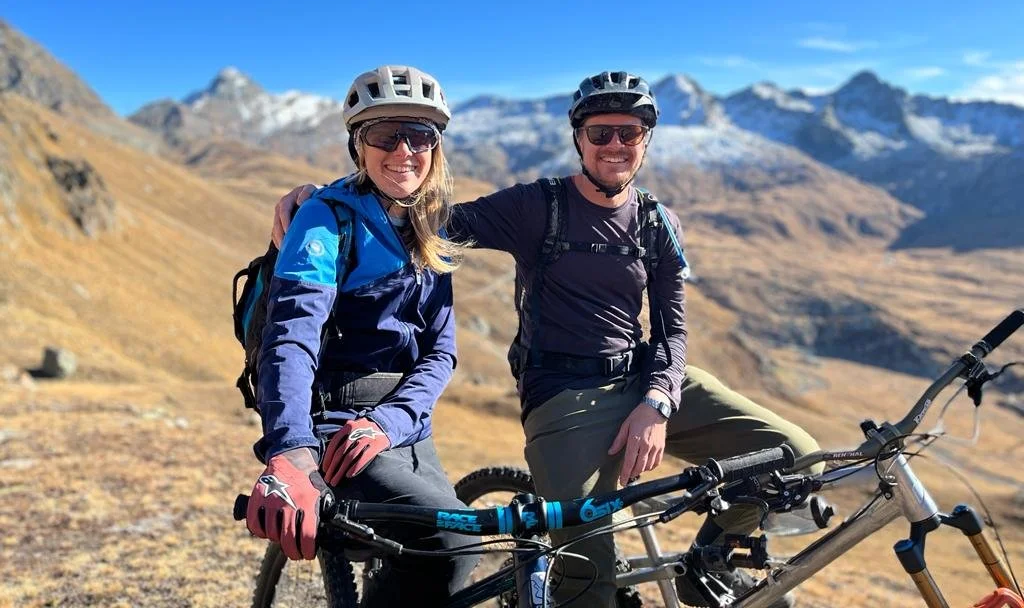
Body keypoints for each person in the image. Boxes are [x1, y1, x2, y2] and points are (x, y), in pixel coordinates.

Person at [273, 71, 820, 608]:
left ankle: (711, 559)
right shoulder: (538, 206)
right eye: (599, 133)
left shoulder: (659, 221)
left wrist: (657, 402)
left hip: (646, 382)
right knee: (588, 581)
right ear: (578, 138)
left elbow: (673, 331)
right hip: (564, 395)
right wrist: (320, 202)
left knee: (795, 456)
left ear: (646, 140)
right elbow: (419, 217)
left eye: (628, 133)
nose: (614, 145)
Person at [246, 65, 477, 607]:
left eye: (419, 135)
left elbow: (442, 350)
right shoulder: (324, 221)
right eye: (383, 134)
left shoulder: (430, 226)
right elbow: (291, 339)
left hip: (405, 422)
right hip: (338, 427)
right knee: (451, 543)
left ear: (436, 146)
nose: (403, 150)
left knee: (457, 551)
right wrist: (292, 452)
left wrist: (391, 420)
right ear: (358, 144)